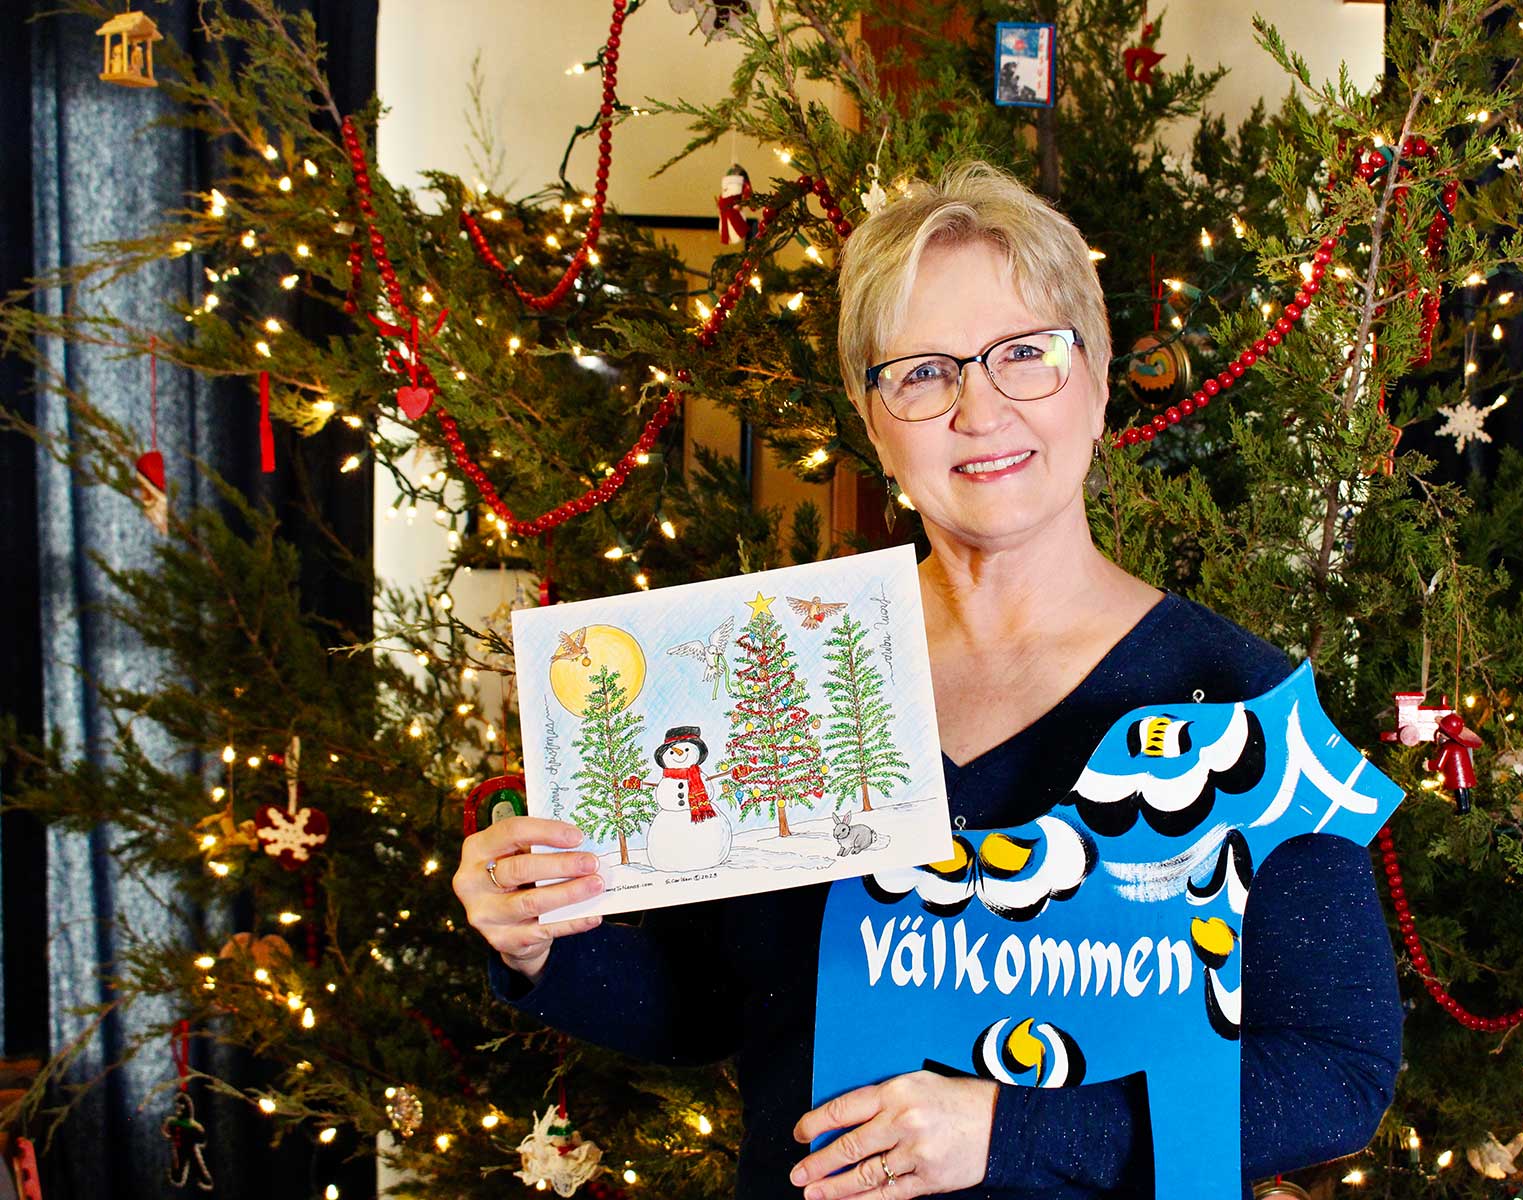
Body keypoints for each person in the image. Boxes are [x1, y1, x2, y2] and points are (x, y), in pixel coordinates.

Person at [455, 162, 1402, 1200]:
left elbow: (1333, 1074)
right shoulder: (791, 674)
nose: (979, 408)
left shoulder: (1241, 705)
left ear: (1095, 383)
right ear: (873, 424)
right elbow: (715, 1005)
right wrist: (541, 943)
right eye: (921, 373)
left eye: (1025, 355)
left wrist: (1014, 1130)